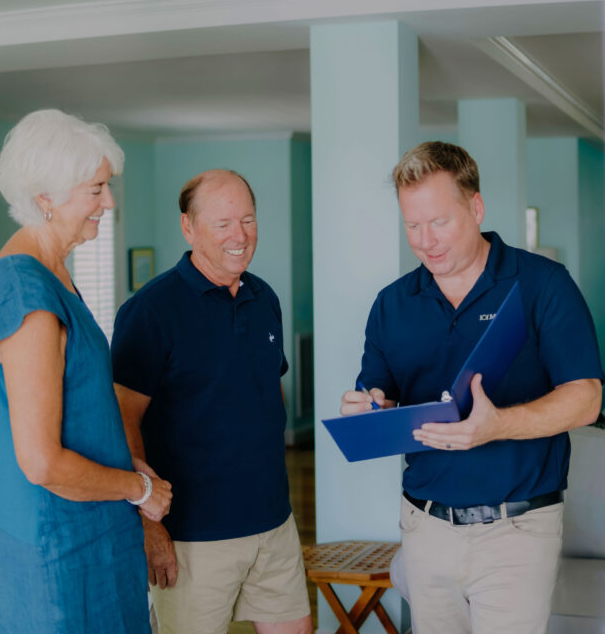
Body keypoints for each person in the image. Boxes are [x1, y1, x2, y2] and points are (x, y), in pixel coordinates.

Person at [340, 141, 603, 634]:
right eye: (412, 226)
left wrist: (497, 424)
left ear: (475, 207)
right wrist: (366, 411)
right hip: (424, 526)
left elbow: (587, 398)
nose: (426, 241)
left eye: (439, 221)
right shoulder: (391, 304)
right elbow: (380, 398)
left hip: (517, 528)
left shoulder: (544, 284)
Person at [0, 109, 173, 634]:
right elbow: (41, 462)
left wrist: (126, 463)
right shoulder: (24, 293)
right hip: (49, 551)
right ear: (46, 199)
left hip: (88, 536)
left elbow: (75, 410)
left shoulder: (52, 273)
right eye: (97, 188)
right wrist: (138, 490)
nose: (109, 202)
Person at [111, 169, 312, 634]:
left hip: (273, 523)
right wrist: (149, 525)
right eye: (222, 224)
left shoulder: (264, 298)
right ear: (188, 226)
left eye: (248, 219)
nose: (239, 236)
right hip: (191, 537)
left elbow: (266, 391)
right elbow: (122, 422)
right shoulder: (150, 311)